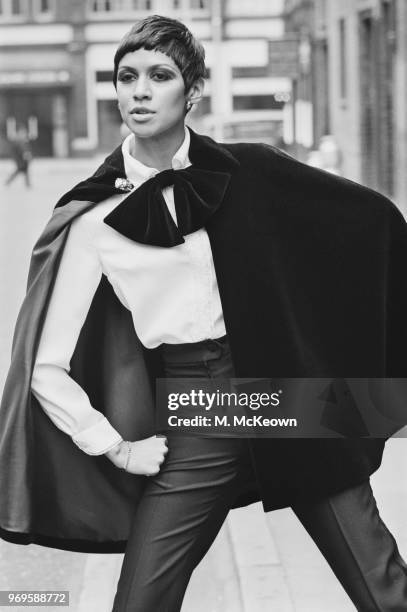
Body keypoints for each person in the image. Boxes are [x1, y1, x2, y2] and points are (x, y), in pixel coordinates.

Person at [1, 14, 407, 612]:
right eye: (126, 76)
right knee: (140, 603)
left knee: (381, 584)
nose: (139, 90)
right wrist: (117, 446)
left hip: (291, 392)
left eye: (159, 75)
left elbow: (370, 225)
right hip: (197, 407)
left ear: (191, 91)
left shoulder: (253, 172)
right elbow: (44, 366)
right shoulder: (91, 220)